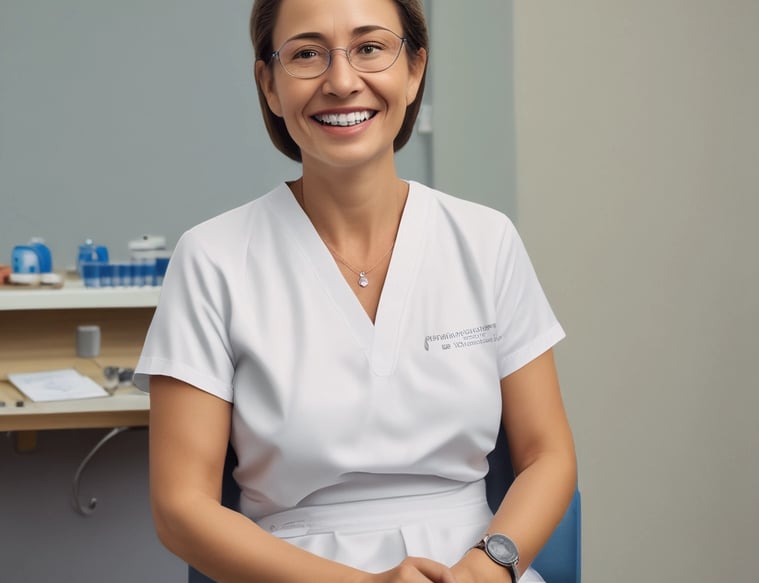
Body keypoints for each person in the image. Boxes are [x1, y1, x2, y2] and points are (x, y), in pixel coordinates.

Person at [134, 0, 577, 581]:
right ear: (268, 84)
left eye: (370, 48)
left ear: (415, 69)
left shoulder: (485, 240)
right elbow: (180, 509)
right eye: (306, 54)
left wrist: (488, 566)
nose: (342, 81)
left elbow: (548, 454)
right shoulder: (212, 258)